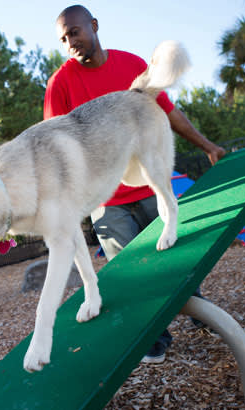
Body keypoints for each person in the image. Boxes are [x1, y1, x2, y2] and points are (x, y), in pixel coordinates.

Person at [44, 5, 226, 363]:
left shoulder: (130, 64)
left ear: (94, 26)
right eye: (64, 39)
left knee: (177, 258)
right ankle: (154, 338)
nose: (71, 43)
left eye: (75, 32)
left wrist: (207, 146)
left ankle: (198, 310)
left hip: (146, 186)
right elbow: (54, 144)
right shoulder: (60, 83)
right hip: (106, 200)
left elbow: (168, 111)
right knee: (129, 273)